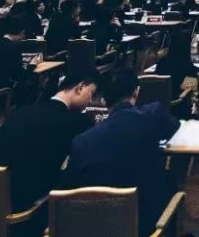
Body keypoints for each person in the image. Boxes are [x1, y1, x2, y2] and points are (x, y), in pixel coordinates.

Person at [63, 69, 181, 237]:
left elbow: (69, 188)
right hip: (147, 227)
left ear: (104, 100)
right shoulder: (151, 114)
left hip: (95, 228)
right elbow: (174, 127)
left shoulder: (81, 142)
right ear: (136, 92)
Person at [0, 73, 96, 213]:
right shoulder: (77, 122)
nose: (91, 101)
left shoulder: (20, 112)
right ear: (80, 88)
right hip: (34, 205)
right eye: (91, 94)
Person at [154, 30, 199, 103]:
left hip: (160, 103)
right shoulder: (188, 67)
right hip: (179, 104)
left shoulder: (161, 63)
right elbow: (189, 90)